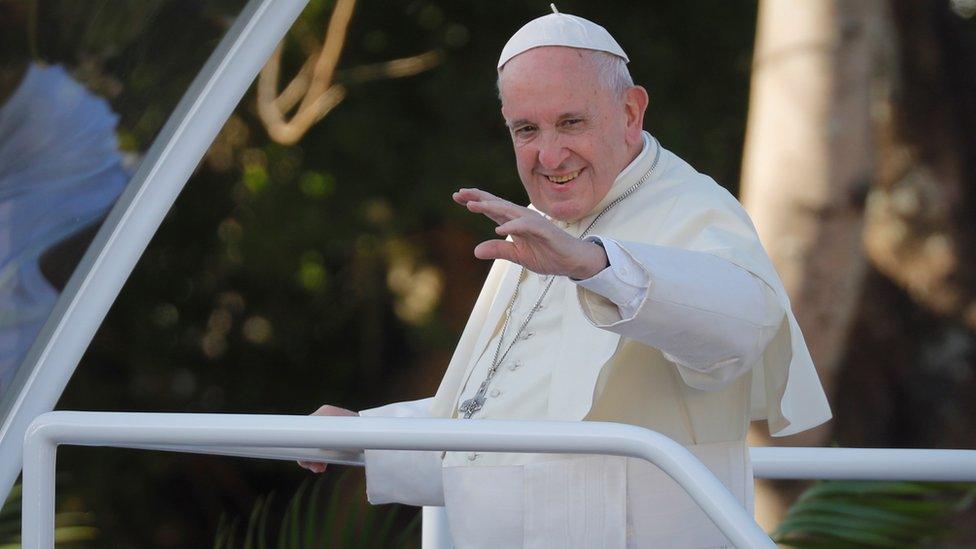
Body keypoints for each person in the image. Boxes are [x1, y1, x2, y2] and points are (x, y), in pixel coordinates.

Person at [301, 7, 831, 547]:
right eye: (526, 129)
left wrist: (598, 267)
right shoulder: (545, 225)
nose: (549, 155)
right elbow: (494, 419)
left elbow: (741, 328)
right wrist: (361, 435)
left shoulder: (694, 206)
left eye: (571, 122)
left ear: (630, 112)